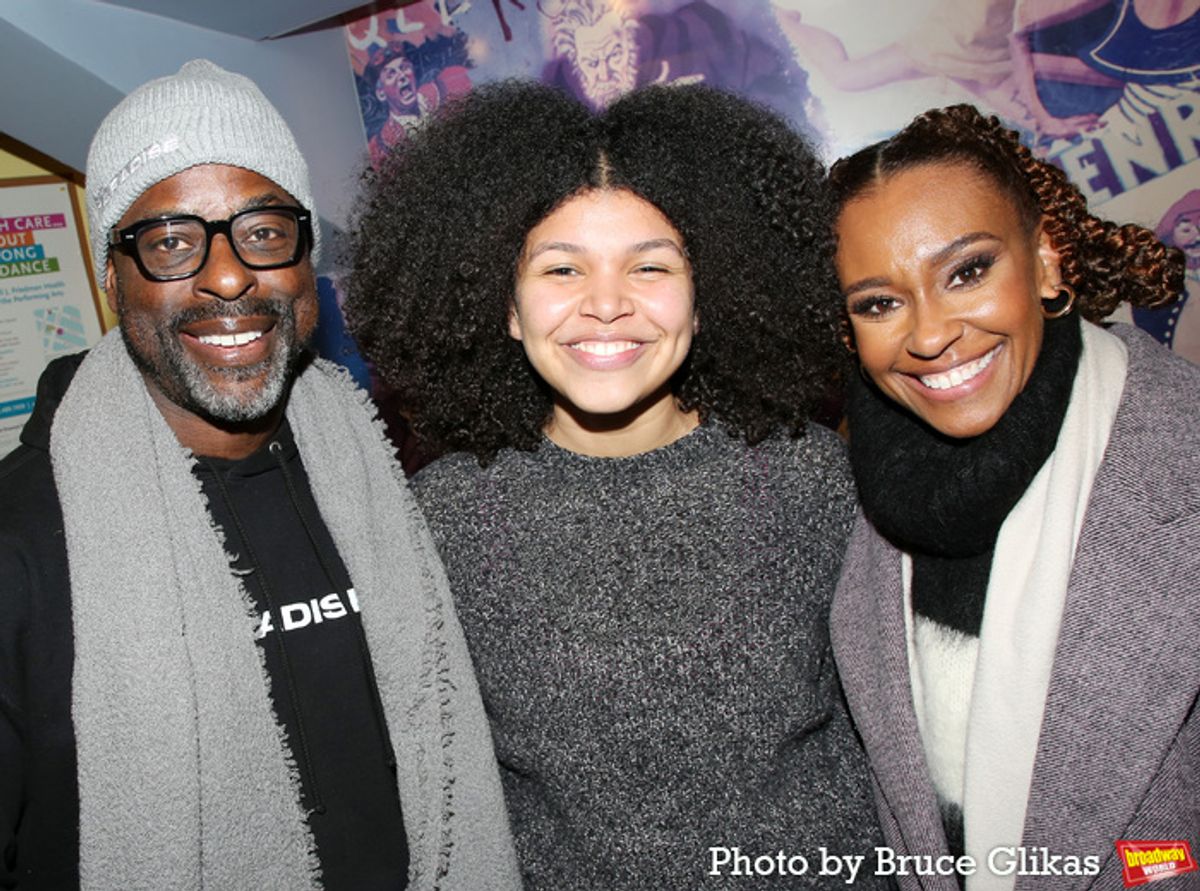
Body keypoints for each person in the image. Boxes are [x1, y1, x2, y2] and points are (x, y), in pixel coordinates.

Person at [344, 80, 885, 890]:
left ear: (708, 297)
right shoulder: (442, 519)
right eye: (562, 268)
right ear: (506, 307)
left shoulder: (811, 478)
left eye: (650, 265)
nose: (605, 304)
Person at [0, 60, 519, 890]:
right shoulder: (22, 540)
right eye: (171, 241)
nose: (228, 275)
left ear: (306, 256)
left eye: (265, 231)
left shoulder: (379, 474)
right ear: (110, 275)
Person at [828, 103, 1197, 889]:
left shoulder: (1181, 460)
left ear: (1047, 261)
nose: (930, 334)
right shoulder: (850, 498)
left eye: (967, 271)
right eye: (879, 302)